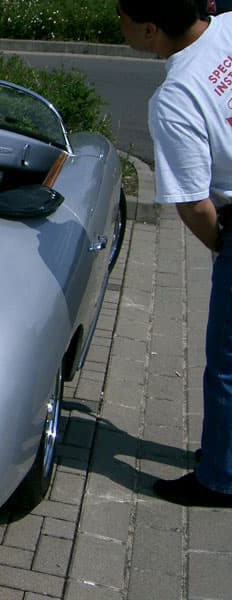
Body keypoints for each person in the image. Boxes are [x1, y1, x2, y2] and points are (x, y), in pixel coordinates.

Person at [118, 0, 232, 506]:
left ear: (148, 29)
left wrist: (225, 251)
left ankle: (220, 479)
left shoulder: (177, 95)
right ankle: (222, 452)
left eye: (120, 14)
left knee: (227, 363)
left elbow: (194, 205)